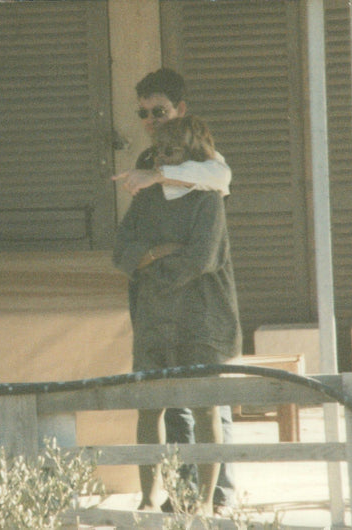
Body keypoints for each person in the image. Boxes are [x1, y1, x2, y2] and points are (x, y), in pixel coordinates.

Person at [112, 67, 237, 513]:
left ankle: (215, 496)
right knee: (167, 409)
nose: (151, 121)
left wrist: (157, 269)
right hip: (158, 317)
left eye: (160, 111)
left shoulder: (207, 163)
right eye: (143, 113)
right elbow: (125, 243)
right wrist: (152, 254)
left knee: (209, 408)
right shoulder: (149, 164)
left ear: (181, 109)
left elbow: (219, 180)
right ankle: (176, 495)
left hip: (199, 311)